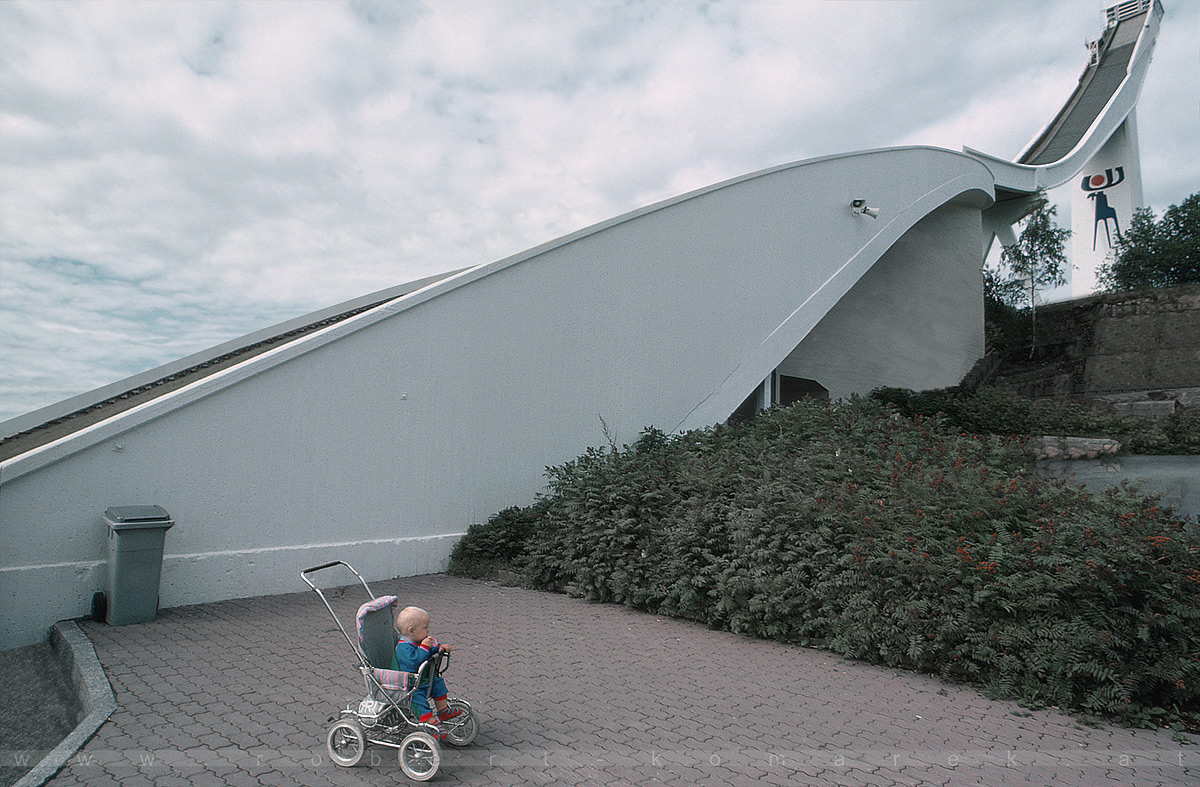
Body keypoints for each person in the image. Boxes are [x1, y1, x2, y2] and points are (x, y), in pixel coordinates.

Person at [392, 605, 462, 735]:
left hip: (423, 678)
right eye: (425, 628)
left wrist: (439, 647)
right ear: (411, 631)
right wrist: (424, 647)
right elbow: (414, 662)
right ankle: (430, 722)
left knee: (438, 683)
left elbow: (429, 649)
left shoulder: (418, 641)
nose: (428, 630)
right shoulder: (403, 648)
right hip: (410, 684)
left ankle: (443, 711)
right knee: (417, 699)